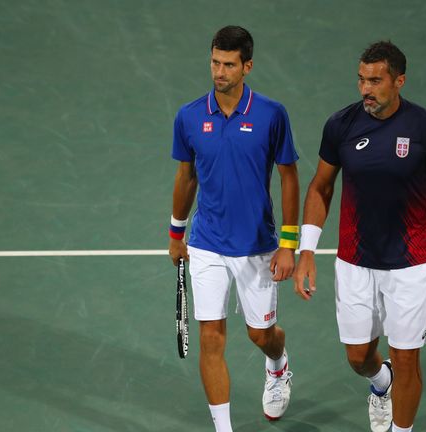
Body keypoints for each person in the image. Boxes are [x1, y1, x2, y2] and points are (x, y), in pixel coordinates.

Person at [293, 41, 426, 432]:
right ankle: (382, 383)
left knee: (408, 358)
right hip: (354, 261)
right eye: (361, 79)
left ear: (399, 81)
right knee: (359, 356)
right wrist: (306, 250)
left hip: (410, 264)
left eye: (375, 81)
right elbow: (320, 187)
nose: (365, 89)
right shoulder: (341, 125)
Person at [168, 25, 300, 432]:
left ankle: (277, 366)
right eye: (214, 62)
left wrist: (289, 244)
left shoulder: (271, 115)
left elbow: (289, 177)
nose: (219, 71)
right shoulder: (190, 116)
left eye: (228, 64)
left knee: (261, 335)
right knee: (211, 338)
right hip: (206, 243)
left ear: (247, 66)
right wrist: (176, 233)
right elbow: (186, 176)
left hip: (257, 245)